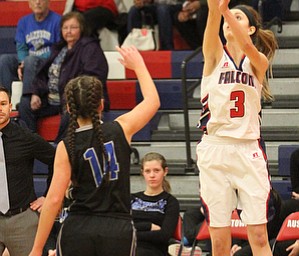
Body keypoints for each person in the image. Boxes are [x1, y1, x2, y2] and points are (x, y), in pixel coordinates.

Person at [28, 45, 160, 256]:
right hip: (117, 229)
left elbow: (53, 200)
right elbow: (153, 102)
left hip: (78, 228)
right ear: (101, 104)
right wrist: (139, 66)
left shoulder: (66, 145)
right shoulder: (122, 128)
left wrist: (36, 249)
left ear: (69, 109)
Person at [196, 0, 278, 255]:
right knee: (219, 242)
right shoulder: (214, 56)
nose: (230, 20)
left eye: (239, 17)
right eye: (229, 18)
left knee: (259, 237)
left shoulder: (258, 62)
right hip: (215, 149)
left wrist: (223, 11)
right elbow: (213, 17)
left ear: (252, 29)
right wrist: (214, 9)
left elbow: (244, 45)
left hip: (248, 150)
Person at [18, 11, 109, 143]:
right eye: (65, 28)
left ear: (82, 29)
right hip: (52, 99)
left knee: (71, 111)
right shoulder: (59, 48)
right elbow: (43, 74)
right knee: (25, 105)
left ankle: (59, 151)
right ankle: (31, 145)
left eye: (73, 27)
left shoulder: (90, 47)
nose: (69, 31)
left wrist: (71, 96)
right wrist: (36, 93)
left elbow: (94, 77)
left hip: (76, 100)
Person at [0, 86, 55, 256]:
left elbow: (57, 160)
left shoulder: (25, 137)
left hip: (22, 220)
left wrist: (48, 195)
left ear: (10, 106)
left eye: (2, 103)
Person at [0, 0, 61, 94]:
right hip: (28, 62)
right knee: (5, 60)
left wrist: (29, 61)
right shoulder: (23, 22)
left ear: (48, 2)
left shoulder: (58, 21)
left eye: (41, 0)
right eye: (34, 0)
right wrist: (22, 63)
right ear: (29, 3)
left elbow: (58, 49)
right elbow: (21, 47)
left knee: (30, 60)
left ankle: (27, 101)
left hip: (48, 63)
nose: (37, 2)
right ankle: (5, 99)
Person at [131, 152, 180, 256]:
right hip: (129, 248)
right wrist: (149, 226)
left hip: (154, 251)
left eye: (156, 170)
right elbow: (121, 228)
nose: (152, 175)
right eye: (147, 171)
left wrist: (132, 233)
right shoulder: (131, 199)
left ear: (165, 171)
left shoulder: (171, 202)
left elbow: (164, 236)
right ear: (142, 172)